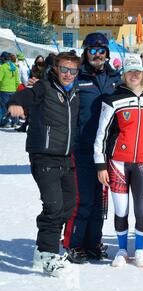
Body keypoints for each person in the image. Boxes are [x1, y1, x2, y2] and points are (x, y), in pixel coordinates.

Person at [7, 52, 81, 276]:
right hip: (44, 155)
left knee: (68, 206)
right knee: (53, 206)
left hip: (66, 157)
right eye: (64, 69)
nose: (68, 74)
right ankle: (49, 255)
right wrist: (14, 103)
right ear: (56, 69)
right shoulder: (44, 87)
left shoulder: (75, 93)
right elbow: (25, 95)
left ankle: (41, 250)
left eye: (72, 70)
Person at [94, 56, 143, 268]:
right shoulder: (113, 99)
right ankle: (122, 250)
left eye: (137, 72)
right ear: (124, 75)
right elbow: (101, 133)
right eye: (130, 71)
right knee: (121, 210)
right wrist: (100, 165)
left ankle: (139, 250)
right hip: (118, 163)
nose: (134, 75)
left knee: (142, 210)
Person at [64, 32, 122, 264]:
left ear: (107, 53)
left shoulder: (116, 78)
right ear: (85, 52)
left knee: (100, 202)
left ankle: (92, 242)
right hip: (83, 147)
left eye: (101, 51)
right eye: (92, 50)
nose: (97, 55)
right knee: (83, 199)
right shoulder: (77, 77)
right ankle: (73, 244)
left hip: (108, 150)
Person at [0, 52, 20, 127]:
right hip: (13, 90)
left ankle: (6, 122)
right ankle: (15, 122)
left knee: (5, 107)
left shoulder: (2, 67)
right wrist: (16, 88)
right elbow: (17, 80)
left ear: (3, 59)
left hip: (4, 90)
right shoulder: (14, 67)